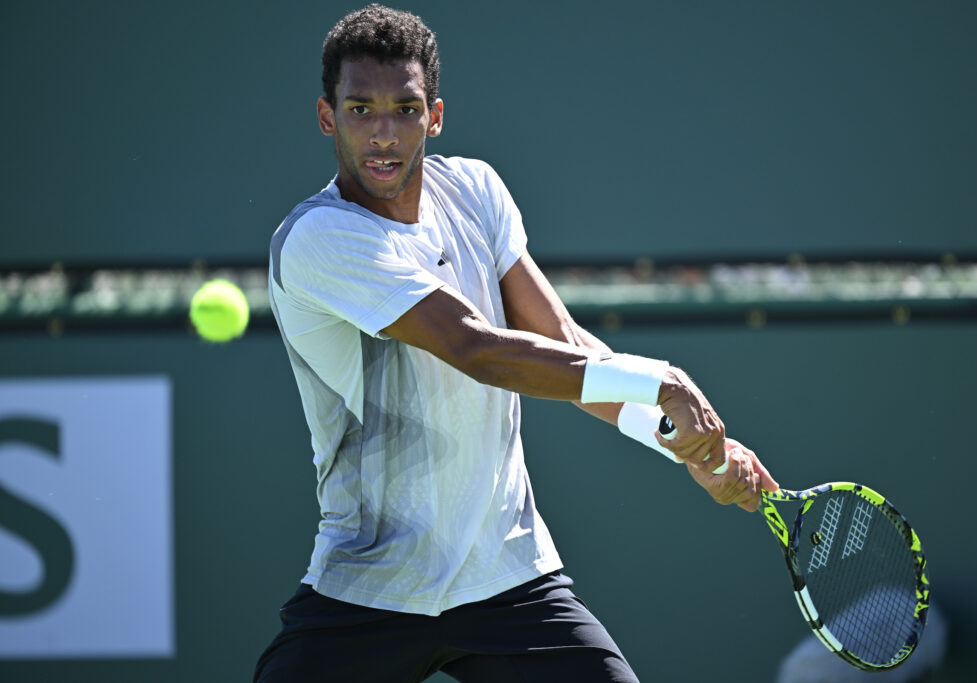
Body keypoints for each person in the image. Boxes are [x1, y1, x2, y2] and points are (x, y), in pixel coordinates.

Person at [255, 5, 778, 682]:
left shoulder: (475, 191)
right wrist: (663, 380)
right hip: (366, 590)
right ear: (328, 117)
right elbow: (477, 349)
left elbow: (562, 343)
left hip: (507, 577)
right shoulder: (320, 238)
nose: (383, 133)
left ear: (434, 115)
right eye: (361, 109)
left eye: (405, 109)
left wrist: (679, 442)